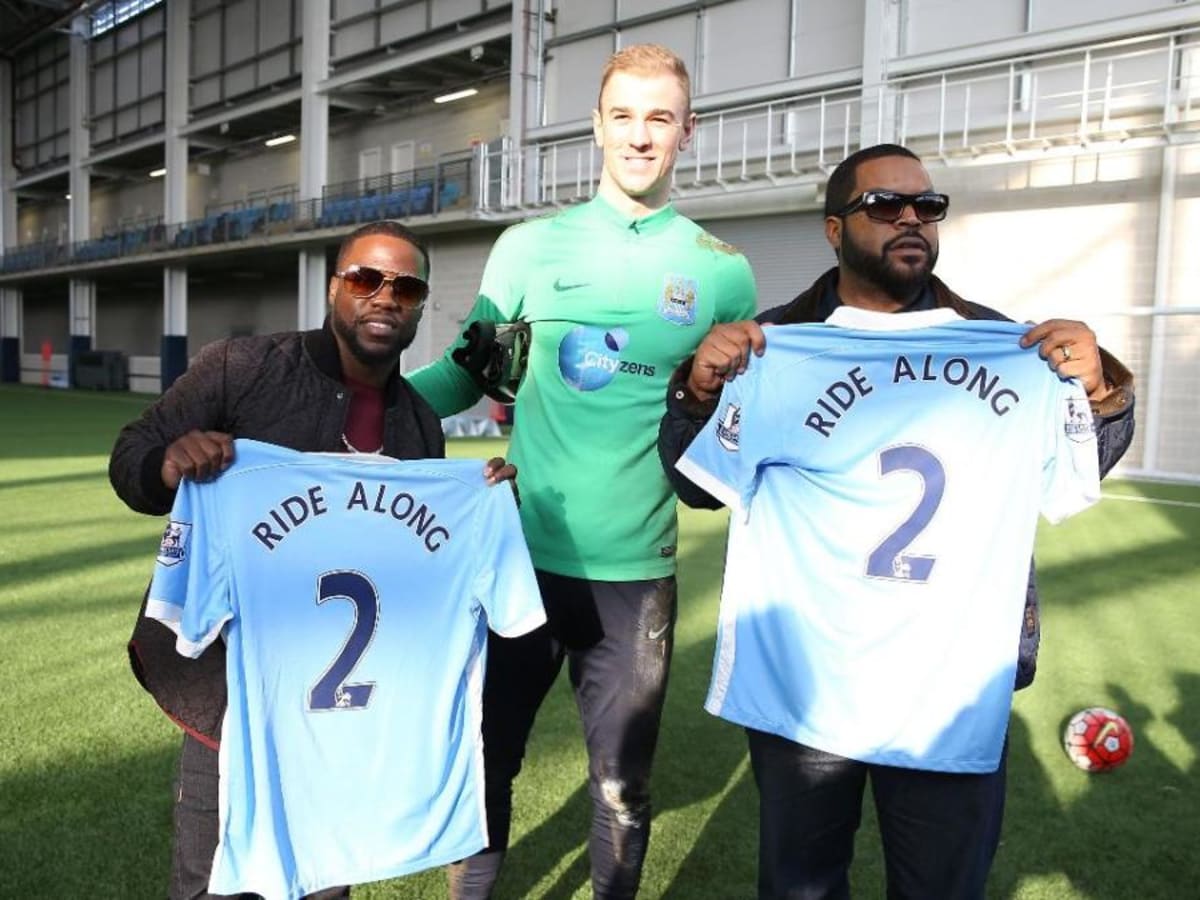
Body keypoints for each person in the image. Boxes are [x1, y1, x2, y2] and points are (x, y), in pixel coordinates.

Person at [657, 143, 1135, 899]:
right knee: (801, 886)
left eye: (927, 206)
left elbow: (1075, 470)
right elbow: (698, 488)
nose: (911, 219)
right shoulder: (774, 346)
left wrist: (1102, 389)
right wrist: (699, 390)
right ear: (834, 229)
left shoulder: (1006, 343)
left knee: (941, 888)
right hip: (808, 679)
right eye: (885, 206)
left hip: (951, 678)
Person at [406, 44, 758, 899]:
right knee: (488, 760)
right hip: (518, 559)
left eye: (661, 118)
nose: (641, 136)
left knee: (622, 784)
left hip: (636, 572)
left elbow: (740, 427)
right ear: (598, 126)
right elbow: (460, 375)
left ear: (687, 131)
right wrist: (338, 404)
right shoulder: (528, 248)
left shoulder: (722, 271)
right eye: (625, 116)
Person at [109, 220, 517, 900]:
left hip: (342, 726)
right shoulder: (242, 369)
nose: (385, 297)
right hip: (234, 703)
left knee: (325, 884)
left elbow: (411, 571)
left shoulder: (418, 424)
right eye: (365, 279)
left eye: (406, 287)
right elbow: (132, 455)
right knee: (212, 887)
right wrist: (167, 465)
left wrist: (480, 506)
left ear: (419, 306)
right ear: (334, 288)